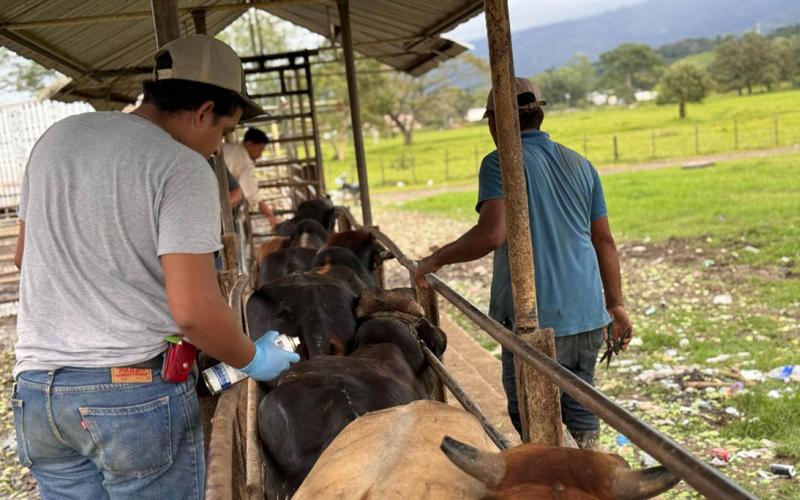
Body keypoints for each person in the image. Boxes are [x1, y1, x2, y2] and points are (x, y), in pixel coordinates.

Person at [11, 35, 300, 499]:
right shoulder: (181, 167)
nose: (216, 149)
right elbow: (193, 312)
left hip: (38, 393)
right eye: (224, 133)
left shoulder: (57, 139)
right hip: (128, 396)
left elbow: (24, 257)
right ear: (204, 110)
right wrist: (253, 358)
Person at [414, 78, 632, 450]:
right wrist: (616, 305)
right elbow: (604, 241)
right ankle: (585, 469)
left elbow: (492, 233)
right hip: (588, 314)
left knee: (530, 416)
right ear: (539, 116)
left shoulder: (501, 162)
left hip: (536, 318)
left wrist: (434, 260)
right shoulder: (581, 163)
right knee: (581, 411)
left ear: (495, 123)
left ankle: (555, 479)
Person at [220, 127, 278, 227]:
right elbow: (253, 194)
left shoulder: (229, 148)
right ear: (249, 143)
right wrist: (270, 216)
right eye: (260, 149)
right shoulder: (245, 161)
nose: (260, 155)